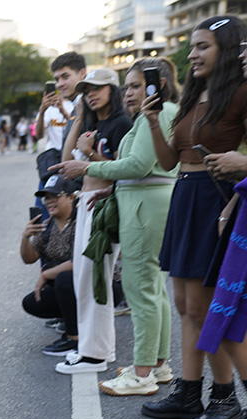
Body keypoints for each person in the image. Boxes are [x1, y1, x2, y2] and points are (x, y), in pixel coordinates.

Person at [140, 15, 247, 419]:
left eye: (203, 46)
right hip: (185, 196)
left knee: (206, 308)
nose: (193, 54)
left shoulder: (239, 93)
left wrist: (242, 163)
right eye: (192, 46)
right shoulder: (193, 95)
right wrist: (151, 121)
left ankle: (224, 399)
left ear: (227, 49)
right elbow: (169, 161)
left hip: (217, 202)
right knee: (186, 305)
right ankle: (189, 391)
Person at [52, 57, 180, 395]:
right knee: (152, 290)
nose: (130, 93)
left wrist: (87, 167)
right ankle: (157, 365)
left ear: (159, 84)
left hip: (144, 208)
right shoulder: (156, 116)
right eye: (129, 86)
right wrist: (113, 186)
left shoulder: (158, 115)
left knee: (141, 292)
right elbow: (144, 167)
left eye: (137, 85)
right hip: (142, 201)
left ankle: (141, 374)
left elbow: (138, 165)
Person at [53, 68, 132, 375]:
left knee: (96, 279)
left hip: (105, 205)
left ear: (113, 89)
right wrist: (78, 116)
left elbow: (127, 169)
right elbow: (66, 156)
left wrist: (87, 159)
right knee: (83, 280)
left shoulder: (122, 124)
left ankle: (96, 354)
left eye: (98, 88)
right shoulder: (93, 122)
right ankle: (89, 347)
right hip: (87, 203)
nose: (91, 93)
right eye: (87, 90)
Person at [20, 176, 78, 356]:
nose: (50, 202)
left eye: (55, 196)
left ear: (71, 197)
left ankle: (74, 339)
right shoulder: (47, 226)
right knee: (31, 303)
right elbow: (29, 258)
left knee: (63, 279)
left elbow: (81, 262)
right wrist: (25, 237)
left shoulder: (82, 222)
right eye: (47, 198)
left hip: (101, 286)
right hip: (70, 287)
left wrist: (46, 274)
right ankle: (73, 318)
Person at [35, 52, 87, 219]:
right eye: (57, 79)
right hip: (56, 164)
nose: (60, 84)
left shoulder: (86, 103)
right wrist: (43, 110)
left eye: (65, 77)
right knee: (48, 214)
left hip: (81, 178)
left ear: (82, 74)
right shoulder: (73, 104)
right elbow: (38, 135)